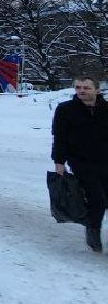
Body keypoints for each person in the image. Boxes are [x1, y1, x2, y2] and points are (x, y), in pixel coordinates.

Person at [52, 76, 107, 253]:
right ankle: (93, 230)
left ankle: (93, 222)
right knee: (97, 198)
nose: (81, 91)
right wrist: (59, 162)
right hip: (81, 161)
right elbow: (60, 138)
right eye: (78, 87)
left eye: (86, 88)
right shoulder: (66, 110)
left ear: (97, 90)